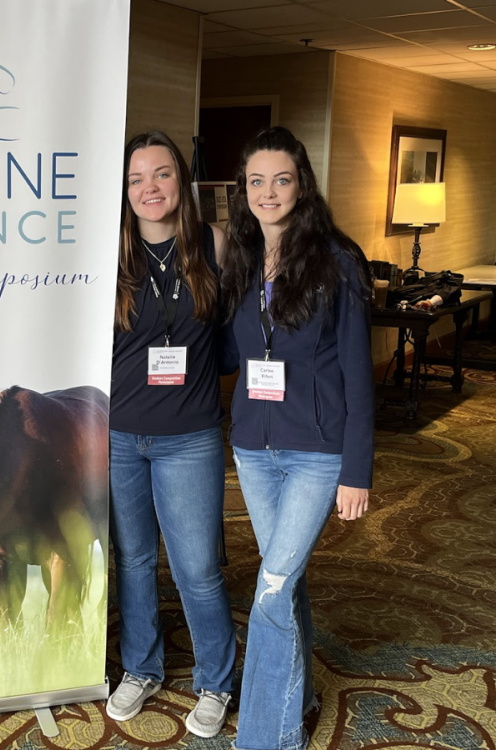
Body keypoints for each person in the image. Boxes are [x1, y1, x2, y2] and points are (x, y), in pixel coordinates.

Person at [221, 127, 373, 750]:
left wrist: (356, 470)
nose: (268, 192)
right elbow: (234, 347)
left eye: (280, 179)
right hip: (254, 448)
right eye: (256, 181)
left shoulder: (337, 261)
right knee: (289, 583)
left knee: (272, 590)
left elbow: (361, 376)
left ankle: (268, 737)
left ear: (301, 184)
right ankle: (300, 693)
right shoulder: (242, 258)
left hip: (317, 451)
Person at [107, 131, 237, 738]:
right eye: (136, 179)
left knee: (196, 567)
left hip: (190, 435)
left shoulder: (212, 245)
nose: (148, 188)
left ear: (180, 183)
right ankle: (142, 667)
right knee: (133, 560)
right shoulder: (109, 253)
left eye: (160, 175)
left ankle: (216, 679)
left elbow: (237, 339)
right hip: (120, 435)